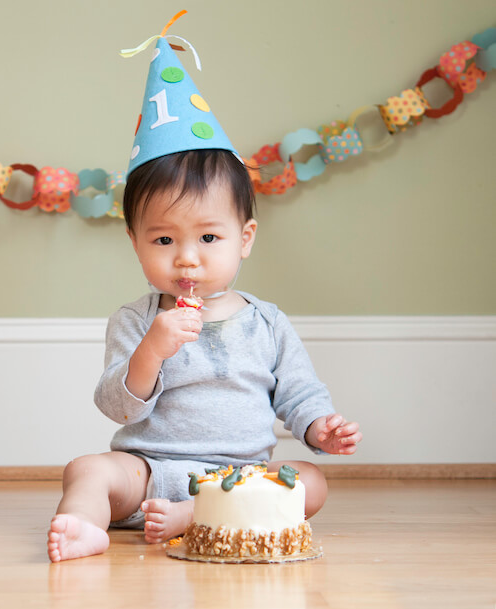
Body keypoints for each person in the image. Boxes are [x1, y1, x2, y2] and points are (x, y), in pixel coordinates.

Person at [46, 149, 363, 563]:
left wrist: (319, 426)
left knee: (310, 482)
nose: (187, 258)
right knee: (86, 469)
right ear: (135, 242)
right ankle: (82, 528)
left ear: (244, 238)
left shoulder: (267, 323)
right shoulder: (134, 321)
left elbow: (299, 392)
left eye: (208, 238)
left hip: (241, 478)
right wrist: (151, 351)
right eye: (163, 240)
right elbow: (117, 408)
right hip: (150, 474)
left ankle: (194, 515)